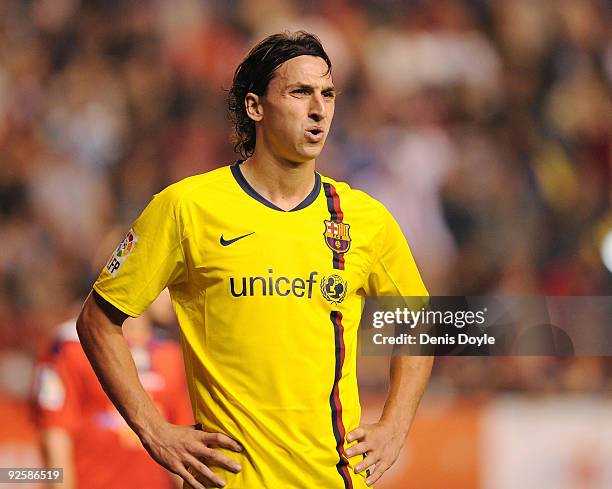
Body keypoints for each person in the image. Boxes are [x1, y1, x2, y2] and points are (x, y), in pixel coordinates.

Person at [77, 31, 433, 489]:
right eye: (300, 92)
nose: (318, 109)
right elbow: (97, 320)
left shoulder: (363, 219)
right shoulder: (188, 207)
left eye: (327, 94)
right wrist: (155, 431)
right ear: (255, 107)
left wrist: (395, 426)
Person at [33, 311, 192, 489]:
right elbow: (55, 436)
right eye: (165, 282)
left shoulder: (171, 352)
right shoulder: (70, 346)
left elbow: (180, 446)